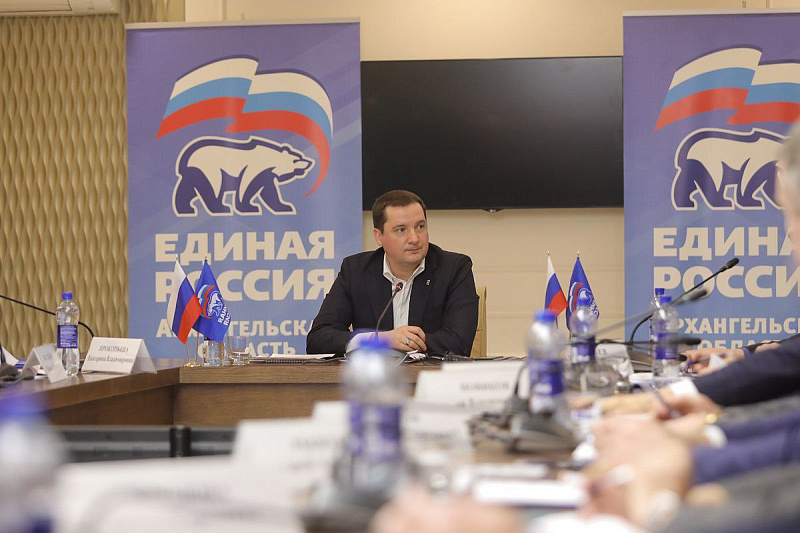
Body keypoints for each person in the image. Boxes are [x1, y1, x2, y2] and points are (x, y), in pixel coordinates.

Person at [307, 190, 479, 355]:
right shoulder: (355, 270)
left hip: (431, 374)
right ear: (378, 236)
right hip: (373, 374)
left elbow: (459, 342)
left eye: (420, 226)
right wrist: (380, 340)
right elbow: (318, 338)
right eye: (401, 230)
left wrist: (404, 343)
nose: (414, 239)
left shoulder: (454, 269)